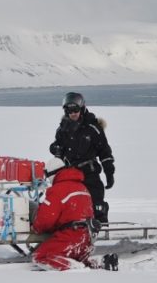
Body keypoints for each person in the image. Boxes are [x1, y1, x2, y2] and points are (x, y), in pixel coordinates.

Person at [49, 92, 115, 223]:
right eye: (69, 110)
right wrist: (56, 149)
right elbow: (57, 147)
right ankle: (74, 230)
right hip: (71, 174)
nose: (72, 113)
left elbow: (104, 151)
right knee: (71, 204)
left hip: (90, 172)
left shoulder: (92, 128)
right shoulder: (62, 129)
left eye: (75, 110)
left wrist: (109, 172)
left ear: (82, 108)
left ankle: (101, 228)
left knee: (97, 205)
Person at [31, 157, 97, 271]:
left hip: (70, 237)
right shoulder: (83, 187)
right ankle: (97, 264)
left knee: (40, 256)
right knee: (75, 257)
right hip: (87, 239)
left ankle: (76, 268)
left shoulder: (57, 190)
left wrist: (35, 227)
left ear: (51, 174)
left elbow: (45, 220)